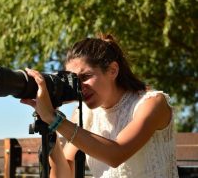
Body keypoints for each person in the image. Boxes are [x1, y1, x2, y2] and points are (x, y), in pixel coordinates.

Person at [20, 34, 179, 178]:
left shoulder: (152, 103)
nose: (79, 87)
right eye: (74, 80)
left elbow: (116, 154)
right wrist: (50, 127)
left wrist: (55, 120)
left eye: (86, 77)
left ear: (113, 70)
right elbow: (65, 174)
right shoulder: (86, 113)